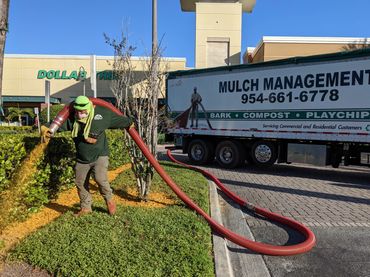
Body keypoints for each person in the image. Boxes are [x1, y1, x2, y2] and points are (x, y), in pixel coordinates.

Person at [41, 96, 132, 216]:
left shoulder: (103, 114)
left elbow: (120, 120)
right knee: (80, 182)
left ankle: (109, 200)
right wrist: (47, 128)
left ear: (90, 107)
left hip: (100, 155)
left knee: (100, 179)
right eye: (77, 111)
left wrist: (130, 123)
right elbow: (59, 124)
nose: (79, 115)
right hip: (82, 158)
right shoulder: (73, 119)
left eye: (82, 112)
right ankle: (86, 208)